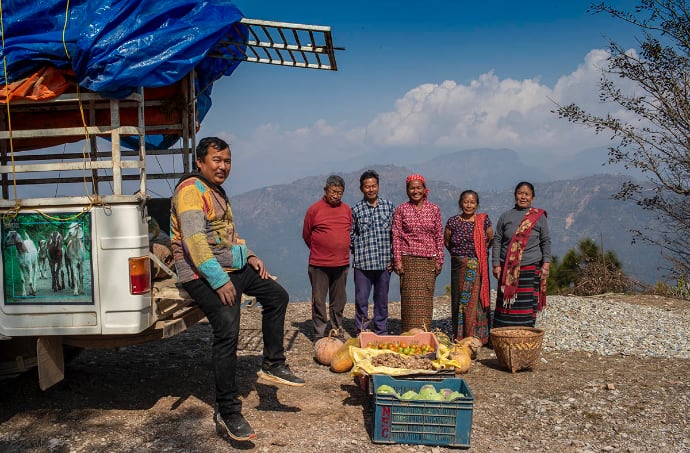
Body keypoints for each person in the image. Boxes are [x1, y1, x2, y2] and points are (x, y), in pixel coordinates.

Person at [170, 137, 304, 443]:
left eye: (227, 160)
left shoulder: (215, 190)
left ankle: (273, 363)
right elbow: (194, 242)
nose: (223, 166)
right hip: (199, 272)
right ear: (201, 162)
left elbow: (228, 234)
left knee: (276, 296)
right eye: (216, 160)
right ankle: (228, 410)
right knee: (228, 329)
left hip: (229, 265)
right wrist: (219, 281)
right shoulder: (191, 191)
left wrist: (251, 256)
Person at [491, 181, 551, 328]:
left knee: (526, 302)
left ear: (532, 197)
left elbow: (545, 241)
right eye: (520, 193)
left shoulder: (538, 217)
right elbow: (497, 239)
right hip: (508, 268)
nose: (523, 197)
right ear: (515, 195)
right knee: (506, 302)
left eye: (527, 194)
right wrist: (496, 264)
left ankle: (525, 333)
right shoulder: (506, 216)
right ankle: (503, 333)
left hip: (530, 267)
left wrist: (546, 264)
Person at [302, 174, 352, 342]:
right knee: (319, 300)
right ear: (325, 190)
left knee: (339, 301)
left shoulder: (346, 210)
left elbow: (349, 232)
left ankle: (337, 329)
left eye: (339, 192)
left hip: (341, 263)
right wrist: (321, 249)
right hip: (319, 264)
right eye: (333, 191)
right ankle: (320, 334)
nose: (336, 195)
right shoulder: (314, 210)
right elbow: (306, 235)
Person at [392, 174, 444, 332]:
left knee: (426, 300)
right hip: (408, 260)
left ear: (424, 189)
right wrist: (398, 260)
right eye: (412, 188)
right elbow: (396, 235)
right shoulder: (401, 209)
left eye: (418, 187)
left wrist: (439, 260)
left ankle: (424, 333)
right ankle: (408, 333)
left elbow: (438, 235)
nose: (415, 191)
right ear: (407, 190)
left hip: (428, 260)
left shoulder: (434, 209)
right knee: (409, 299)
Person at [444, 190, 493, 344]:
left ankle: (478, 337)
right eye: (466, 202)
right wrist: (462, 259)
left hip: (477, 267)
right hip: (459, 267)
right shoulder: (453, 221)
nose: (469, 205)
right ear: (460, 203)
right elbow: (447, 242)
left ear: (477, 205)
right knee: (460, 300)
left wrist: (476, 257)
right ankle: (460, 335)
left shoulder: (483, 221)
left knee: (477, 301)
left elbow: (489, 239)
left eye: (472, 202)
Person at [350, 170, 395, 335]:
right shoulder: (356, 210)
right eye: (367, 187)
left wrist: (393, 257)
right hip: (363, 264)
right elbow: (351, 235)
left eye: (373, 186)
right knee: (361, 300)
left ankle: (381, 330)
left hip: (384, 263)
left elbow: (394, 234)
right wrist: (359, 251)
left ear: (378, 186)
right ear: (361, 188)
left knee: (381, 300)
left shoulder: (389, 207)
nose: (371, 189)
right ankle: (361, 331)